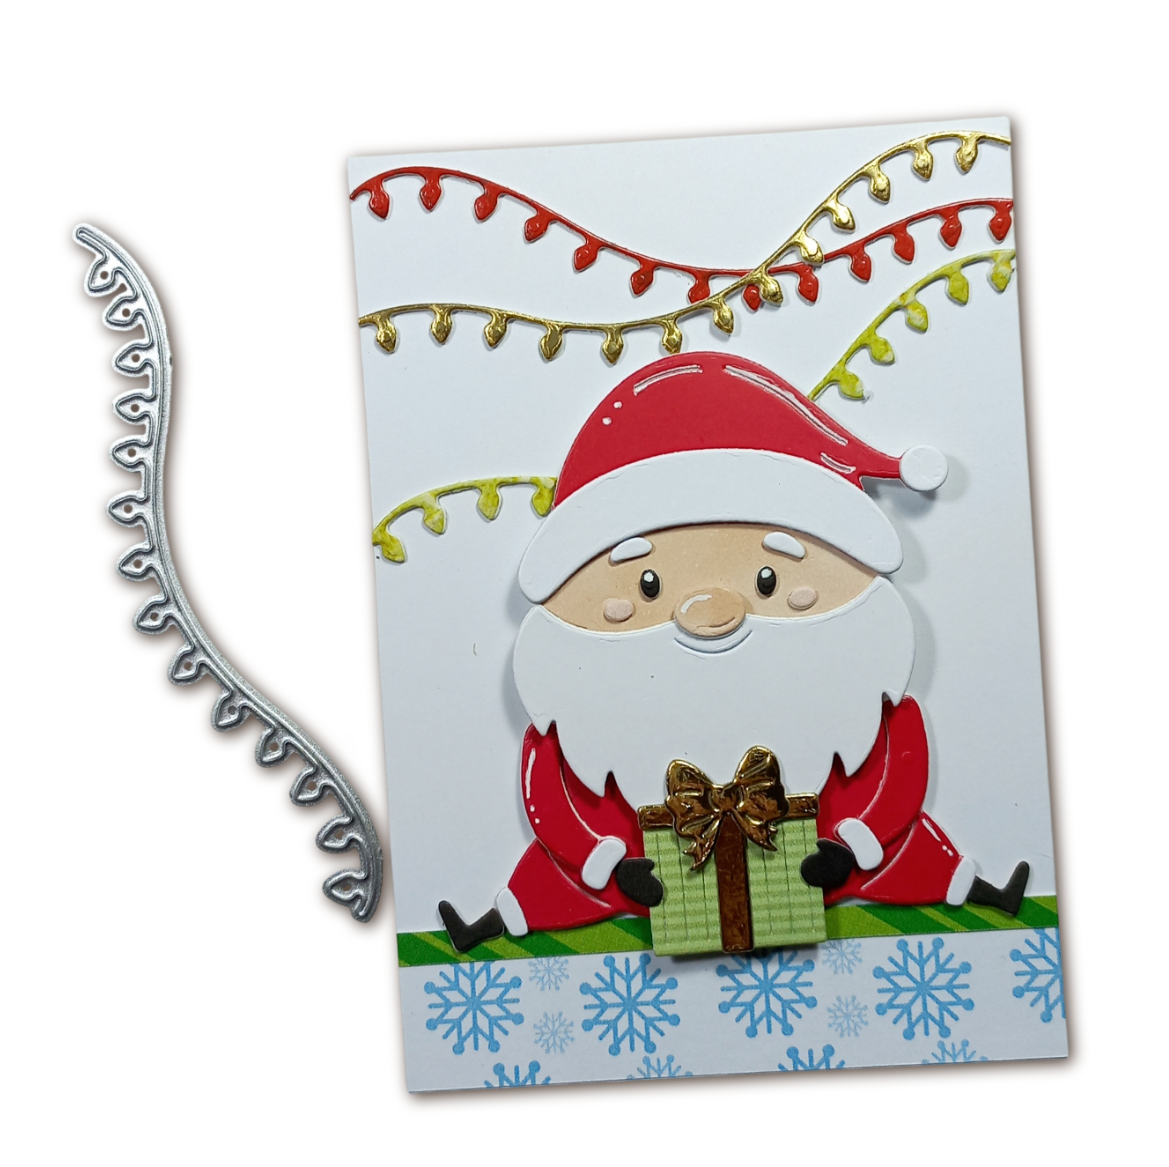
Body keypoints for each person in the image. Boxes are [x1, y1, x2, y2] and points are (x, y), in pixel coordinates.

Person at [439, 353, 1028, 952]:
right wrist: (606, 862)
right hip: (631, 874)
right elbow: (555, 803)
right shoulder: (573, 726)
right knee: (557, 885)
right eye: (648, 586)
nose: (711, 611)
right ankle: (496, 926)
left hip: (839, 856)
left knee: (907, 857)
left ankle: (977, 892)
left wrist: (855, 846)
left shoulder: (869, 702)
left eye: (768, 580)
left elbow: (898, 776)